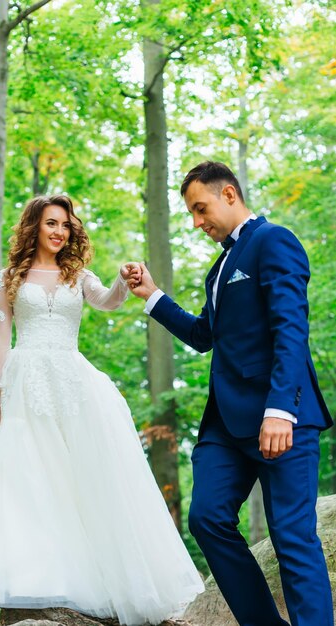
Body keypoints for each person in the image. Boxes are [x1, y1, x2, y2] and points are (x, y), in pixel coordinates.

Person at [0, 194, 203, 625]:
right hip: (22, 377)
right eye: (51, 223)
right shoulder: (10, 277)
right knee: (23, 471)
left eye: (66, 225)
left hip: (73, 382)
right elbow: (0, 336)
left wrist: (125, 280)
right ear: (33, 226)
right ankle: (28, 571)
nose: (59, 231)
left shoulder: (78, 274)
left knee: (82, 476)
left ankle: (90, 575)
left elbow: (108, 301)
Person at [130, 161, 334, 626]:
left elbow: (290, 329)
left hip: (282, 416)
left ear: (228, 195)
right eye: (191, 214)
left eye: (201, 209)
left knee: (292, 537)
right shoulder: (220, 267)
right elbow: (206, 335)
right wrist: (153, 295)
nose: (198, 222)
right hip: (225, 424)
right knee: (206, 517)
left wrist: (281, 408)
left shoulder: (274, 241)